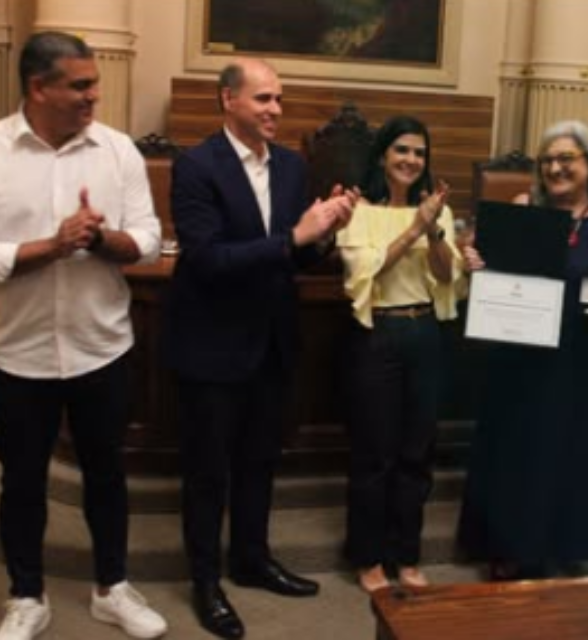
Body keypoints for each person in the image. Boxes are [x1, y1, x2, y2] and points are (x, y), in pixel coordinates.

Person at [163, 58, 357, 638]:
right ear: (228, 100)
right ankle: (205, 581)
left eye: (279, 99)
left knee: (259, 462)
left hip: (272, 343)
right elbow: (208, 260)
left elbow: (294, 258)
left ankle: (252, 559)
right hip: (212, 344)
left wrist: (325, 233)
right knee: (208, 474)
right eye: (264, 98)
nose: (276, 109)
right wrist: (294, 236)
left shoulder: (293, 167)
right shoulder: (196, 165)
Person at [0, 32, 168, 639]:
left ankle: (111, 589)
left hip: (102, 348)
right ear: (38, 87)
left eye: (94, 82)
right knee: (22, 481)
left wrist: (99, 239)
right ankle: (26, 595)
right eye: (81, 85)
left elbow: (147, 240)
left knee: (106, 475)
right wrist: (53, 245)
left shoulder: (117, 150)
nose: (95, 95)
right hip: (17, 353)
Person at [457, 120, 588, 579]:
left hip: (585, 353)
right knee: (520, 447)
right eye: (547, 161)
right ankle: (510, 546)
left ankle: (565, 543)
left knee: (573, 447)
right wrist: (475, 262)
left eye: (566, 159)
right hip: (524, 352)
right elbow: (492, 272)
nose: (555, 168)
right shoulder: (525, 206)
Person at [337, 116, 463, 593]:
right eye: (402, 150)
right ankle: (368, 557)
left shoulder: (436, 211)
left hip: (424, 332)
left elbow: (447, 277)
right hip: (377, 334)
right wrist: (415, 229)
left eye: (419, 153)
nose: (411, 160)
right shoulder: (358, 210)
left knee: (417, 452)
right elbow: (364, 272)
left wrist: (434, 231)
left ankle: (406, 555)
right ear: (382, 155)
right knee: (375, 454)